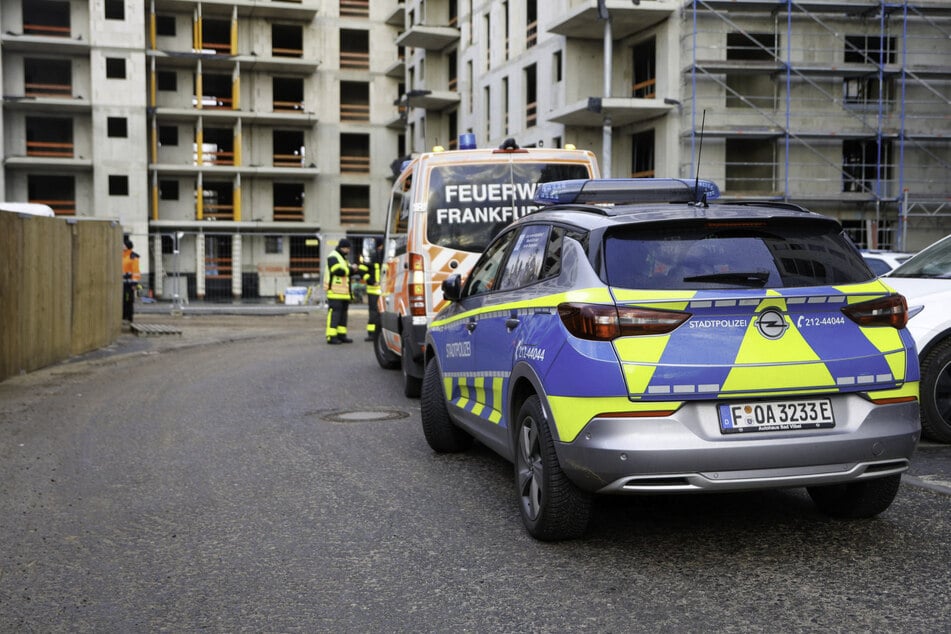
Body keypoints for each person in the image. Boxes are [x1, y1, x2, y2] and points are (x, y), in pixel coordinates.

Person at [325, 238, 354, 344]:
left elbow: (346, 272)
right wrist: (350, 270)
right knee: (335, 315)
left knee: (343, 315)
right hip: (334, 292)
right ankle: (331, 336)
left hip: (343, 294)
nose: (349, 251)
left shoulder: (343, 258)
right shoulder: (333, 256)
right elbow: (337, 271)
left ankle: (341, 335)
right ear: (344, 248)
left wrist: (353, 269)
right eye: (348, 248)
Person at [361, 240, 384, 341]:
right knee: (374, 312)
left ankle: (378, 333)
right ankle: (372, 334)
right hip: (374, 289)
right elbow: (362, 270)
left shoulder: (385, 256)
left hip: (383, 290)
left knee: (379, 312)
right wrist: (371, 281)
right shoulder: (371, 257)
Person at [122, 235, 141, 323]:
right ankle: (123, 316)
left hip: (129, 284)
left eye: (123, 245)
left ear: (127, 246)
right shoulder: (122, 256)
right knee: (122, 300)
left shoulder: (133, 257)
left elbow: (136, 271)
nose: (122, 246)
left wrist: (134, 284)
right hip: (122, 283)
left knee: (128, 300)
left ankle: (128, 317)